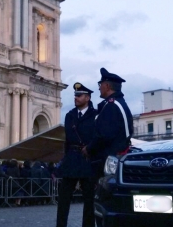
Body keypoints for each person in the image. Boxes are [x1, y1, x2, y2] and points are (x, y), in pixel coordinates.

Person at [83, 68, 133, 227]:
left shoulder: (111, 106)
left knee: (102, 204)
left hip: (107, 163)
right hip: (114, 160)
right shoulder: (118, 104)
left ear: (107, 86)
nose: (98, 87)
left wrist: (88, 149)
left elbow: (103, 135)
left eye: (100, 84)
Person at [57, 82, 98, 227]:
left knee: (89, 199)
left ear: (87, 98)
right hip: (72, 158)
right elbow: (67, 140)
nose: (76, 98)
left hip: (88, 159)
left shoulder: (95, 115)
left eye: (79, 95)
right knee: (63, 198)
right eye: (75, 95)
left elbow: (97, 137)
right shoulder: (70, 115)